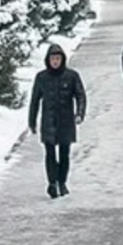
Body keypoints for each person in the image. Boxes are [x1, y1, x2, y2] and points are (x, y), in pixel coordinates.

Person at [28, 43, 86, 198]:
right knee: (50, 154)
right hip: (49, 121)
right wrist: (32, 121)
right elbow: (35, 100)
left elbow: (80, 95)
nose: (55, 61)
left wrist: (79, 113)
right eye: (53, 58)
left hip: (66, 121)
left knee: (65, 154)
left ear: (62, 59)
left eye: (58, 58)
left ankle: (62, 182)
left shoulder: (72, 76)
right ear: (48, 60)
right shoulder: (42, 78)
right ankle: (52, 183)